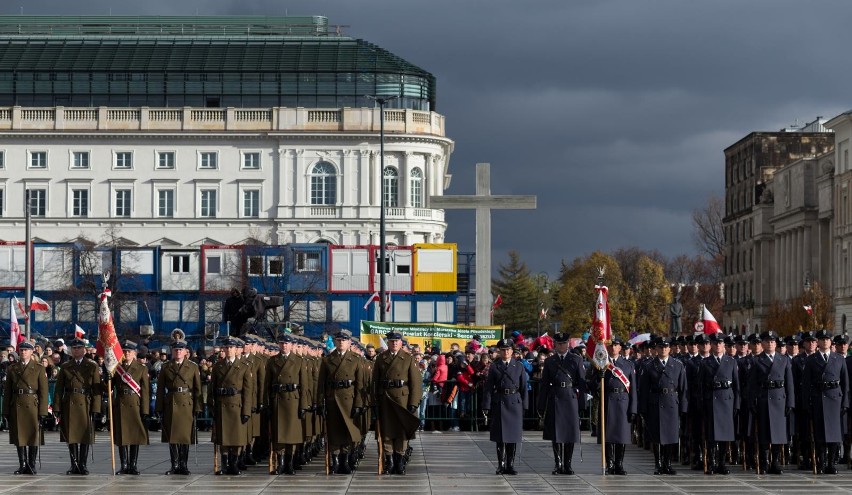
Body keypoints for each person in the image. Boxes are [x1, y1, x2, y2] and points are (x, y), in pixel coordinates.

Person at [372, 331, 422, 475]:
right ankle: (390, 461)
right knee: (387, 431)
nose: (394, 343)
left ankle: (399, 461)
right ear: (388, 343)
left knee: (401, 432)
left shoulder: (408, 358)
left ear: (401, 343)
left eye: (397, 341)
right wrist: (374, 401)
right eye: (392, 341)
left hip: (402, 399)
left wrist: (413, 402)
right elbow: (375, 381)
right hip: (386, 399)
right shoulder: (381, 358)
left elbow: (416, 383)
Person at [317, 329, 366, 474]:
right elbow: (321, 384)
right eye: (338, 340)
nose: (341, 342)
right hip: (332, 399)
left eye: (343, 340)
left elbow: (360, 385)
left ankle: (344, 461)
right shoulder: (327, 359)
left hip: (348, 400)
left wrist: (358, 404)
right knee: (333, 432)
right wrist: (320, 403)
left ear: (349, 342)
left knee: (346, 432)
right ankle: (335, 461)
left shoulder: (356, 360)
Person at [537, 332, 587, 475]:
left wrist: (582, 403)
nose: (561, 346)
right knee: (556, 433)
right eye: (558, 344)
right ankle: (558, 464)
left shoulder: (576, 360)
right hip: (555, 397)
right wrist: (541, 404)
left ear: (568, 344)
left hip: (570, 397)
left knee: (570, 433)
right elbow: (545, 385)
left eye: (564, 343)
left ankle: (568, 464)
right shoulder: (550, 361)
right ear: (555, 344)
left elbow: (582, 383)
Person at [53, 338, 102, 475]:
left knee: (84, 436)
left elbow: (96, 390)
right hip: (69, 402)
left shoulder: (92, 366)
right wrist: (57, 407)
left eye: (79, 348)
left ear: (84, 350)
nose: (76, 350)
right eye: (74, 348)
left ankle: (83, 464)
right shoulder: (65, 366)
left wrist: (96, 408)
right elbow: (59, 389)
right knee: (72, 436)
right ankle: (74, 464)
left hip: (85, 402)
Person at [748, 330, 794, 475]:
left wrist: (790, 403)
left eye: (773, 341)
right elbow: (752, 384)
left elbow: (789, 383)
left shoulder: (784, 359)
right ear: (762, 343)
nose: (770, 344)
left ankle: (775, 462)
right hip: (764, 398)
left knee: (778, 433)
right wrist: (752, 402)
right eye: (767, 341)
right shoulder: (757, 360)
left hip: (780, 398)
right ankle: (764, 462)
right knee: (764, 433)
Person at [638, 336, 687, 475]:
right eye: (661, 347)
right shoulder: (649, 366)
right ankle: (658, 464)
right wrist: (643, 408)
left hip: (671, 402)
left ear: (670, 349)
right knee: (657, 435)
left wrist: (683, 407)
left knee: (670, 435)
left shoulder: (677, 365)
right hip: (656, 402)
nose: (664, 349)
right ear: (656, 349)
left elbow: (683, 388)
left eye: (666, 347)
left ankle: (668, 464)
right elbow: (643, 389)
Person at [804, 330, 849, 474]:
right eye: (822, 339)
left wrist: (845, 403)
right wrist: (807, 403)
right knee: (820, 433)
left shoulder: (839, 359)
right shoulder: (812, 359)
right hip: (819, 397)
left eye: (827, 339)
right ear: (818, 342)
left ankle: (831, 463)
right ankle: (821, 462)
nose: (825, 342)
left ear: (831, 342)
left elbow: (845, 383)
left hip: (835, 397)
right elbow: (806, 384)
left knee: (835, 434)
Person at [156, 338, 202, 475]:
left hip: (186, 403)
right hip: (171, 403)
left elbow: (197, 389)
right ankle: (174, 465)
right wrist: (159, 407)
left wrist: (198, 407)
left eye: (180, 350)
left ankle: (184, 465)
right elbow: (160, 389)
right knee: (173, 436)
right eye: (176, 350)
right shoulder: (166, 367)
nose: (178, 352)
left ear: (185, 351)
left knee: (185, 436)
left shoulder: (192, 367)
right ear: (172, 351)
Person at [264, 334, 309, 475]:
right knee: (279, 434)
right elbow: (267, 385)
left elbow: (304, 386)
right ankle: (281, 462)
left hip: (293, 400)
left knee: (292, 434)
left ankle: (289, 463)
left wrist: (303, 406)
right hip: (277, 399)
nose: (284, 345)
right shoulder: (272, 361)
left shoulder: (299, 361)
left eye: (286, 343)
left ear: (291, 345)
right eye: (281, 343)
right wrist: (267, 404)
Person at [209, 337, 254, 476]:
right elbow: (212, 390)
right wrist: (211, 407)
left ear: (236, 349)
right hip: (222, 405)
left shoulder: (244, 367)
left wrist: (246, 411)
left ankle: (233, 464)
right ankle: (224, 464)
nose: (228, 350)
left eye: (231, 347)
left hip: (236, 406)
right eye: (226, 347)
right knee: (223, 439)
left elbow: (247, 391)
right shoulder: (218, 366)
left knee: (236, 438)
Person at [483, 339, 528, 475]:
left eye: (508, 349)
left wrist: (525, 405)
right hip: (500, 401)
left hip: (514, 402)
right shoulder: (495, 366)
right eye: (503, 350)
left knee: (512, 436)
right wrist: (486, 405)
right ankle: (501, 465)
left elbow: (524, 387)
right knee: (500, 437)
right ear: (499, 351)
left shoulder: (519, 366)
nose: (506, 352)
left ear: (512, 351)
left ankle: (510, 464)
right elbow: (489, 388)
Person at [3, 341, 48, 475]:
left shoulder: (39, 368)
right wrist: (5, 410)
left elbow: (43, 392)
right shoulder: (12, 368)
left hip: (32, 405)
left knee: (33, 435)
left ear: (31, 352)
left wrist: (43, 411)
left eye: (26, 350)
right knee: (19, 435)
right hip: (17, 403)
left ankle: (31, 464)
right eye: (21, 350)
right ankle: (22, 464)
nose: (23, 352)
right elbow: (8, 391)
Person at [698, 332, 740, 474]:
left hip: (726, 400)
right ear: (711, 345)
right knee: (711, 436)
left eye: (720, 343)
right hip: (712, 400)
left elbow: (736, 386)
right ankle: (712, 463)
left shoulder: (731, 361)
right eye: (715, 343)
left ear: (724, 345)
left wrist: (736, 404)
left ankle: (722, 463)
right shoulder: (705, 362)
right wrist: (702, 403)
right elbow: (701, 386)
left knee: (725, 435)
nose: (718, 345)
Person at [598, 337, 636, 475]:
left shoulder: (628, 365)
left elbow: (633, 389)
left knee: (622, 435)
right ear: (607, 348)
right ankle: (610, 464)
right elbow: (591, 384)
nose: (613, 348)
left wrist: (633, 408)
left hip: (623, 402)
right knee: (608, 436)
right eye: (611, 345)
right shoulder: (602, 363)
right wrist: (599, 377)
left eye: (616, 345)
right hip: (608, 401)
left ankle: (619, 464)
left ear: (620, 348)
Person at [112, 340, 151, 475]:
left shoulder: (141, 368)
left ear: (134, 353)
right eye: (124, 351)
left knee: (134, 436)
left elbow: (145, 391)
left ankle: (133, 465)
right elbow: (109, 388)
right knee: (122, 436)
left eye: (129, 351)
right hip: (121, 404)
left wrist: (145, 410)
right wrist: (106, 378)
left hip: (135, 404)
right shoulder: (116, 368)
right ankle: (124, 465)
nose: (127, 353)